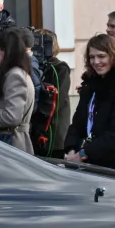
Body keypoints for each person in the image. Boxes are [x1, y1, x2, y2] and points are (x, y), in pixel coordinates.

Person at [63, 34, 115, 176]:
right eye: (92, 57)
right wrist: (71, 148)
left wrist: (83, 153)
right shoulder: (92, 85)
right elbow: (78, 123)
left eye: (101, 56)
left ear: (114, 56)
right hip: (92, 161)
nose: (96, 61)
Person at [0, 26, 37, 152]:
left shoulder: (15, 75)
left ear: (6, 51)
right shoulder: (11, 73)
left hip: (11, 143)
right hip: (7, 141)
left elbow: (13, 117)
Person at [31, 29, 74, 158]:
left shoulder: (59, 68)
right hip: (40, 132)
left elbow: (55, 101)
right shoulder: (37, 66)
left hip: (52, 134)